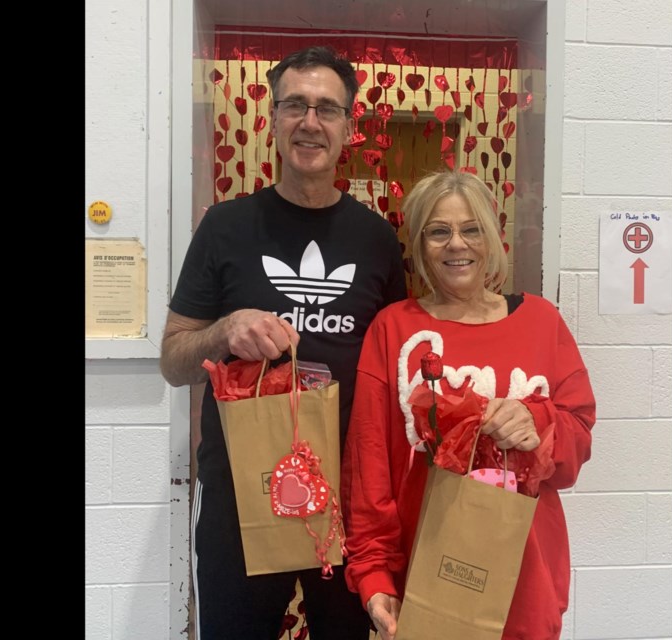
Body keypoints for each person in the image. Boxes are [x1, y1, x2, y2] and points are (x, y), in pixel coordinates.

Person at [160, 45, 408, 640]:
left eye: (326, 108)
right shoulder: (225, 226)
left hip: (346, 499)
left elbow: (397, 364)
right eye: (294, 105)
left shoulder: (377, 240)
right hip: (241, 498)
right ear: (272, 119)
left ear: (349, 126)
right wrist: (222, 332)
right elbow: (172, 360)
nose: (309, 121)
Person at [341, 170, 597, 640]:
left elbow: (576, 446)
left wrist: (537, 421)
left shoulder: (542, 321)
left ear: (493, 238)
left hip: (527, 583)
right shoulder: (392, 329)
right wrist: (373, 573)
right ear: (419, 246)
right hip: (425, 585)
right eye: (438, 231)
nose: (456, 244)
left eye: (471, 228)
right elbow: (368, 465)